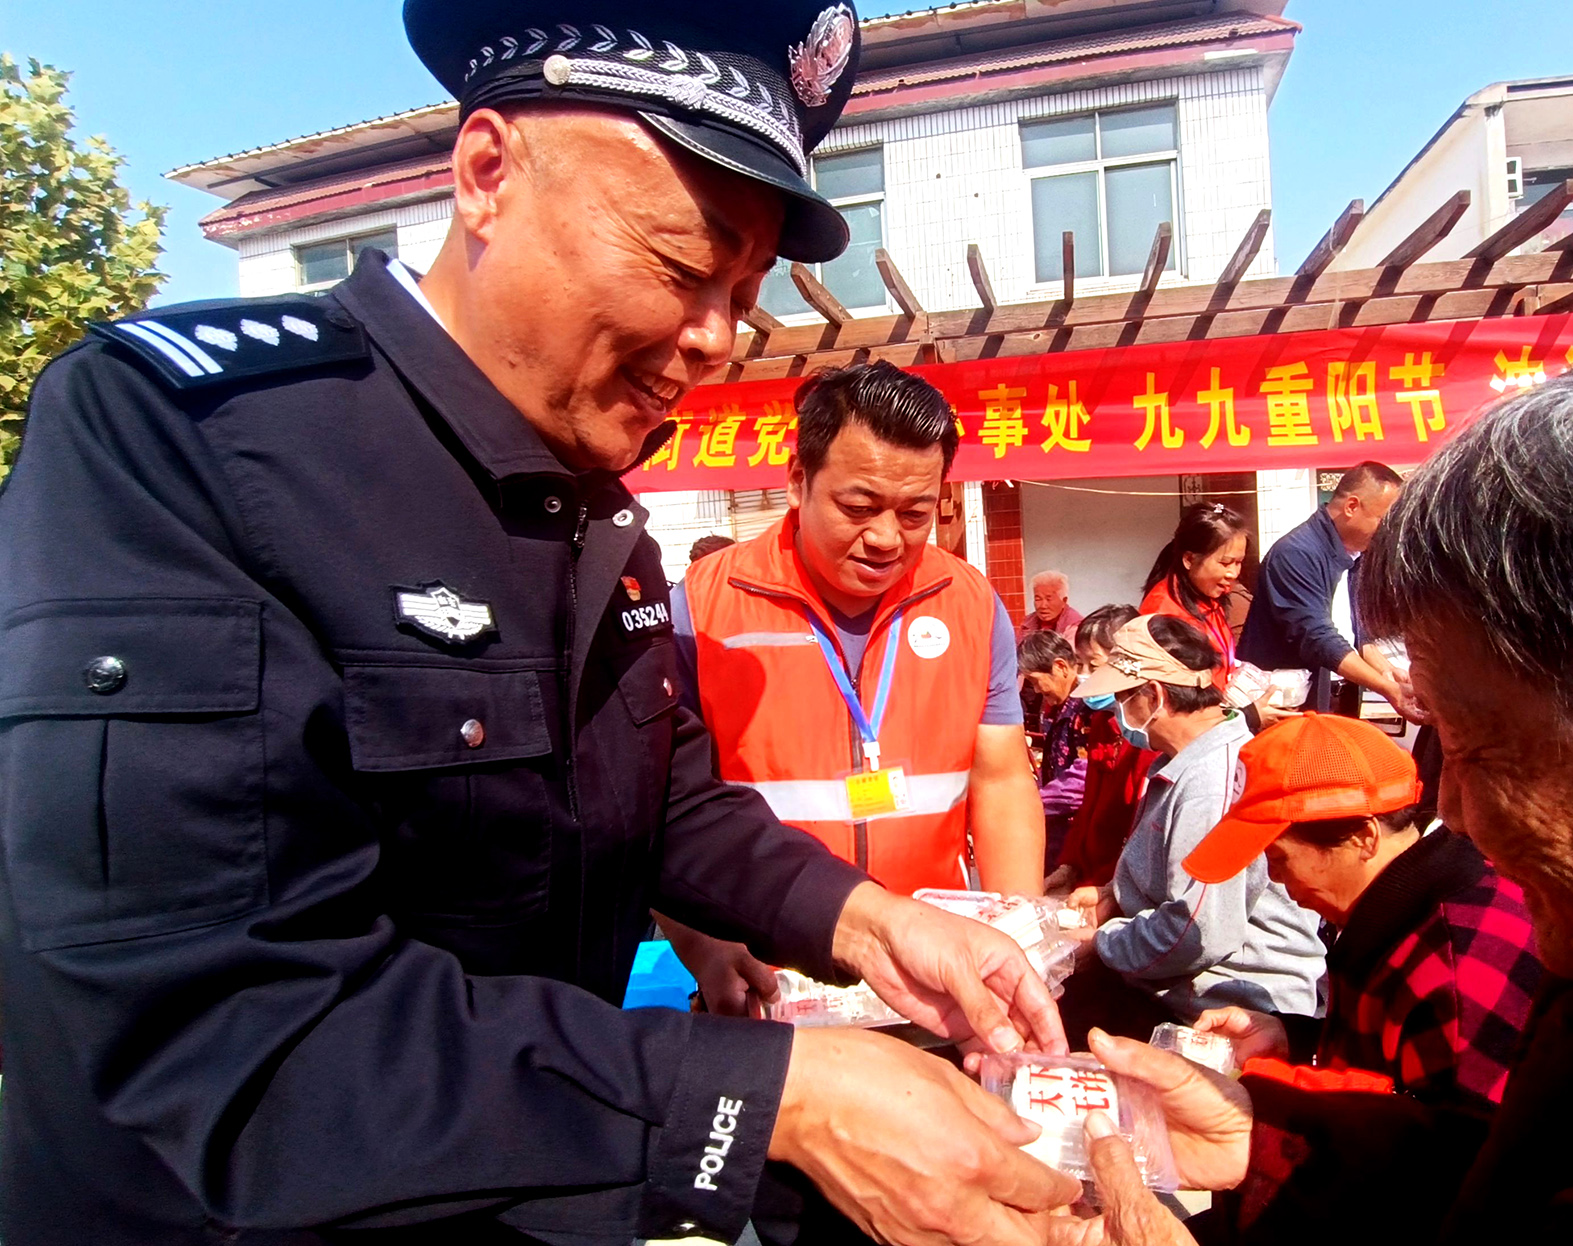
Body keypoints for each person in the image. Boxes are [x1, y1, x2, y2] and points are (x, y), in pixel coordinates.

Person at [0, 5, 1086, 1244]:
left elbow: (664, 805)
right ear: (486, 173)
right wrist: (771, 1098)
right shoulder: (189, 440)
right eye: (681, 265)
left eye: (741, 293)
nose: (714, 338)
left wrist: (872, 923)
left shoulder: (597, 516)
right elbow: (225, 1015)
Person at [1047, 330, 1573, 1246]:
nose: (1455, 814)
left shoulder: (1500, 955)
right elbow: (1499, 1187)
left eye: (1485, 750)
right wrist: (1266, 1132)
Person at [668, 361, 1046, 1012]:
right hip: (772, 981)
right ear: (798, 481)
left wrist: (1019, 937)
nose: (885, 539)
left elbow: (1002, 780)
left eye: (915, 513)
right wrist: (703, 946)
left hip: (937, 979)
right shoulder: (701, 608)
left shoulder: (970, 603)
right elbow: (656, 804)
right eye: (858, 508)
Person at [1187, 713, 1542, 1115]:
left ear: (1363, 838)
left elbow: (1450, 1139)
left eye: (1279, 857)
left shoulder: (1459, 961)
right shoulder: (1389, 913)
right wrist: (1293, 1040)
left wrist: (1269, 1103)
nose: (1275, 878)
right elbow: (1392, 1064)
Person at [1058, 616, 1325, 1049]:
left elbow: (1196, 931)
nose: (1116, 714)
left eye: (1123, 698)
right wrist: (1114, 896)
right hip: (1179, 986)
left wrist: (1102, 944)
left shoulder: (1211, 781)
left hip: (1227, 1006)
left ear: (1154, 696)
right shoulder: (1184, 761)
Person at [1237, 462, 1418, 718]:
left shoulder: (1356, 555)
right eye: (1383, 520)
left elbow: (1358, 635)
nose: (1388, 532)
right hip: (1288, 706)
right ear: (1351, 506)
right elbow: (1318, 637)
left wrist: (1387, 672)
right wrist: (1388, 689)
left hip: (1340, 696)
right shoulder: (1296, 554)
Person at [1045, 604, 1154, 894]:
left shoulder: (1147, 736)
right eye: (1080, 665)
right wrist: (1069, 865)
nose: (1084, 675)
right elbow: (1089, 804)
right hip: (1091, 878)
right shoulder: (1102, 723)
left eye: (1094, 666)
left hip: (1122, 886)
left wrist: (1109, 889)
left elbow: (1138, 831)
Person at [1140, 502, 1248, 677]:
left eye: (1239, 562)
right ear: (1189, 559)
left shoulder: (1209, 593)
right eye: (1225, 563)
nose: (1233, 573)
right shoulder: (1163, 613)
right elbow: (1175, 688)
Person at [1018, 630, 1090, 874]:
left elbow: (1084, 776)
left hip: (1077, 827)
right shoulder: (1055, 706)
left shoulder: (1087, 707)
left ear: (1060, 667)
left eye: (1036, 680)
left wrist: (1036, 802)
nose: (1036, 690)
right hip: (1056, 822)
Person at [1021, 569, 1084, 643]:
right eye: (1038, 599)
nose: (1043, 606)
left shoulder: (1074, 625)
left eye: (1049, 599)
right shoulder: (1028, 623)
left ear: (1064, 601)